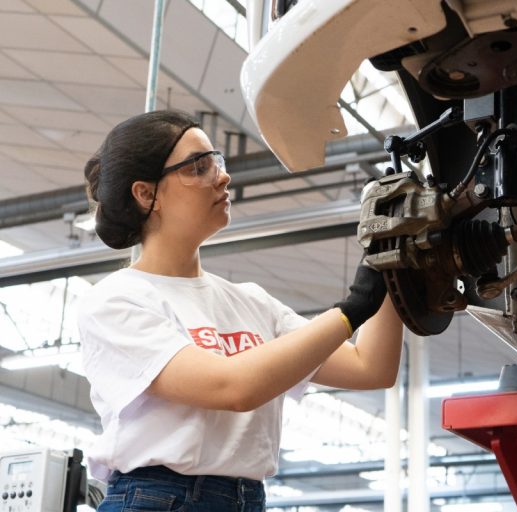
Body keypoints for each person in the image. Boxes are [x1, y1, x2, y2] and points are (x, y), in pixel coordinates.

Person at [77, 109, 404, 511]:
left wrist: (390, 256)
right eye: (198, 166)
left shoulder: (251, 301)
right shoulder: (117, 300)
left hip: (246, 498)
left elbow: (371, 367)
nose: (223, 176)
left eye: (216, 161)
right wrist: (353, 308)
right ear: (146, 194)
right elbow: (232, 388)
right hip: (157, 499)